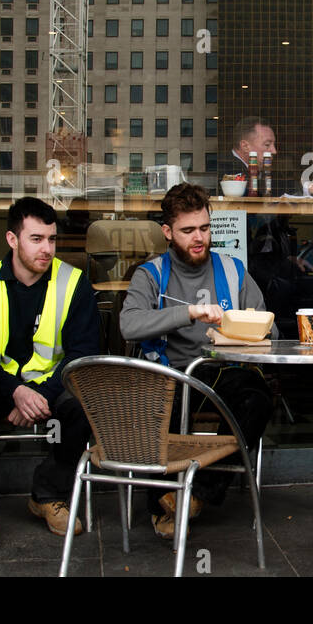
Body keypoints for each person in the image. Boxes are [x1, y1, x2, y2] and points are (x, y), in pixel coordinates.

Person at [119, 183, 275, 540]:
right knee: (157, 410)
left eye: (204, 228)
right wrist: (186, 313)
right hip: (171, 373)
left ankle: (195, 495)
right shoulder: (151, 274)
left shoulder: (233, 269)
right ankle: (162, 503)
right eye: (188, 231)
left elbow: (269, 325)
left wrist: (241, 326)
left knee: (257, 400)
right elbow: (129, 325)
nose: (199, 237)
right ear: (168, 232)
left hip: (223, 371)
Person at [0, 197, 101, 550]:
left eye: (51, 239)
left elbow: (84, 354)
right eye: (36, 239)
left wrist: (41, 393)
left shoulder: (74, 282)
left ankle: (48, 494)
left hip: (52, 383)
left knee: (80, 404)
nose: (47, 248)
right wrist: (15, 392)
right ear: (12, 239)